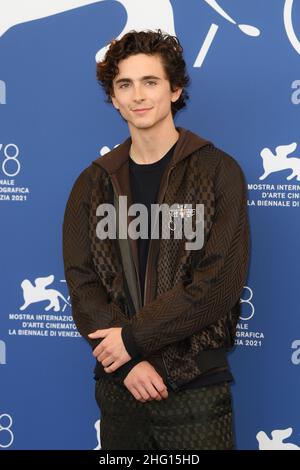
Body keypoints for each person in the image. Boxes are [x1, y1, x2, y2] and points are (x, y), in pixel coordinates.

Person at [62, 29, 250, 450]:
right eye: (124, 84)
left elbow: (218, 282)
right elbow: (82, 282)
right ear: (113, 97)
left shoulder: (219, 172)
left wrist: (132, 341)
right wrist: (126, 363)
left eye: (150, 82)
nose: (137, 95)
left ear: (175, 89)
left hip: (195, 386)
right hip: (121, 387)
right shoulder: (92, 183)